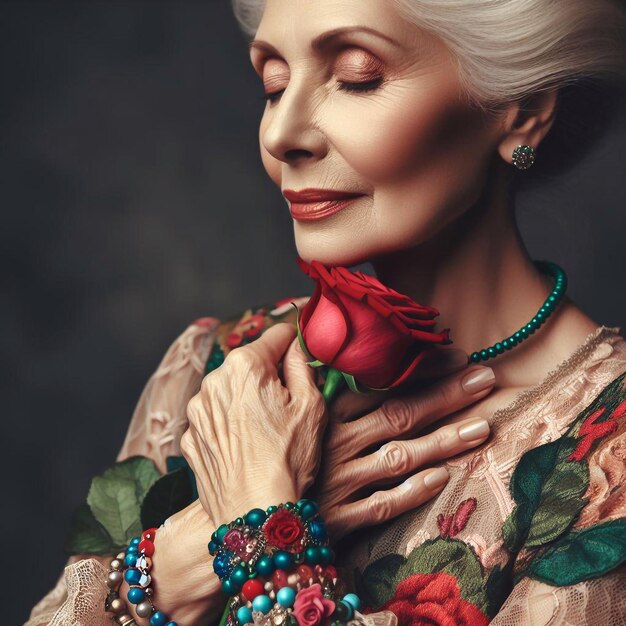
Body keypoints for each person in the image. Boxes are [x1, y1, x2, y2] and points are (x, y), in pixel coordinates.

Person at [26, 0, 626, 624]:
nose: (282, 133)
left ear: (521, 111)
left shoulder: (608, 460)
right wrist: (176, 564)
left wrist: (258, 520)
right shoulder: (219, 374)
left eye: (357, 76)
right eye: (274, 85)